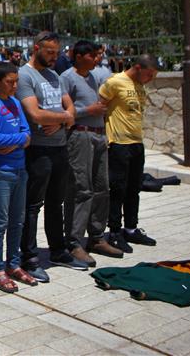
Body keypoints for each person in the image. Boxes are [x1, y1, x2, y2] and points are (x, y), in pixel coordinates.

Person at [16, 31, 87, 283]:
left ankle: (58, 250)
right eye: (49, 52)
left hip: (59, 146)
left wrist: (60, 121)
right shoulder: (25, 75)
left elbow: (72, 109)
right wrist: (64, 118)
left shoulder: (55, 75)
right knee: (33, 205)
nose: (54, 57)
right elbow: (34, 114)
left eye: (56, 53)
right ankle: (29, 257)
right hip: (37, 149)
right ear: (36, 48)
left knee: (56, 202)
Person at [60, 41, 123, 262]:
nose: (97, 59)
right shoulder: (67, 78)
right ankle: (74, 241)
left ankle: (97, 236)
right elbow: (63, 112)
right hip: (80, 135)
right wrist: (89, 110)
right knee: (81, 189)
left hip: (99, 134)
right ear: (78, 56)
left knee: (101, 187)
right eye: (92, 55)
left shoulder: (96, 77)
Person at [100, 54, 159, 253]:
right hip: (118, 143)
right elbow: (100, 106)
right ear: (137, 67)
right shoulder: (115, 82)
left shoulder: (140, 85)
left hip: (136, 143)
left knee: (134, 188)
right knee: (118, 189)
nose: (150, 79)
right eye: (149, 74)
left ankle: (131, 229)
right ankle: (115, 232)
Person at [0, 62, 32, 293]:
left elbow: (27, 133)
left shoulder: (16, 103)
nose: (14, 86)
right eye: (10, 82)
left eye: (16, 81)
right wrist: (18, 141)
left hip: (20, 169)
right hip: (1, 171)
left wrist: (14, 142)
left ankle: (14, 263)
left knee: (17, 220)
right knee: (0, 221)